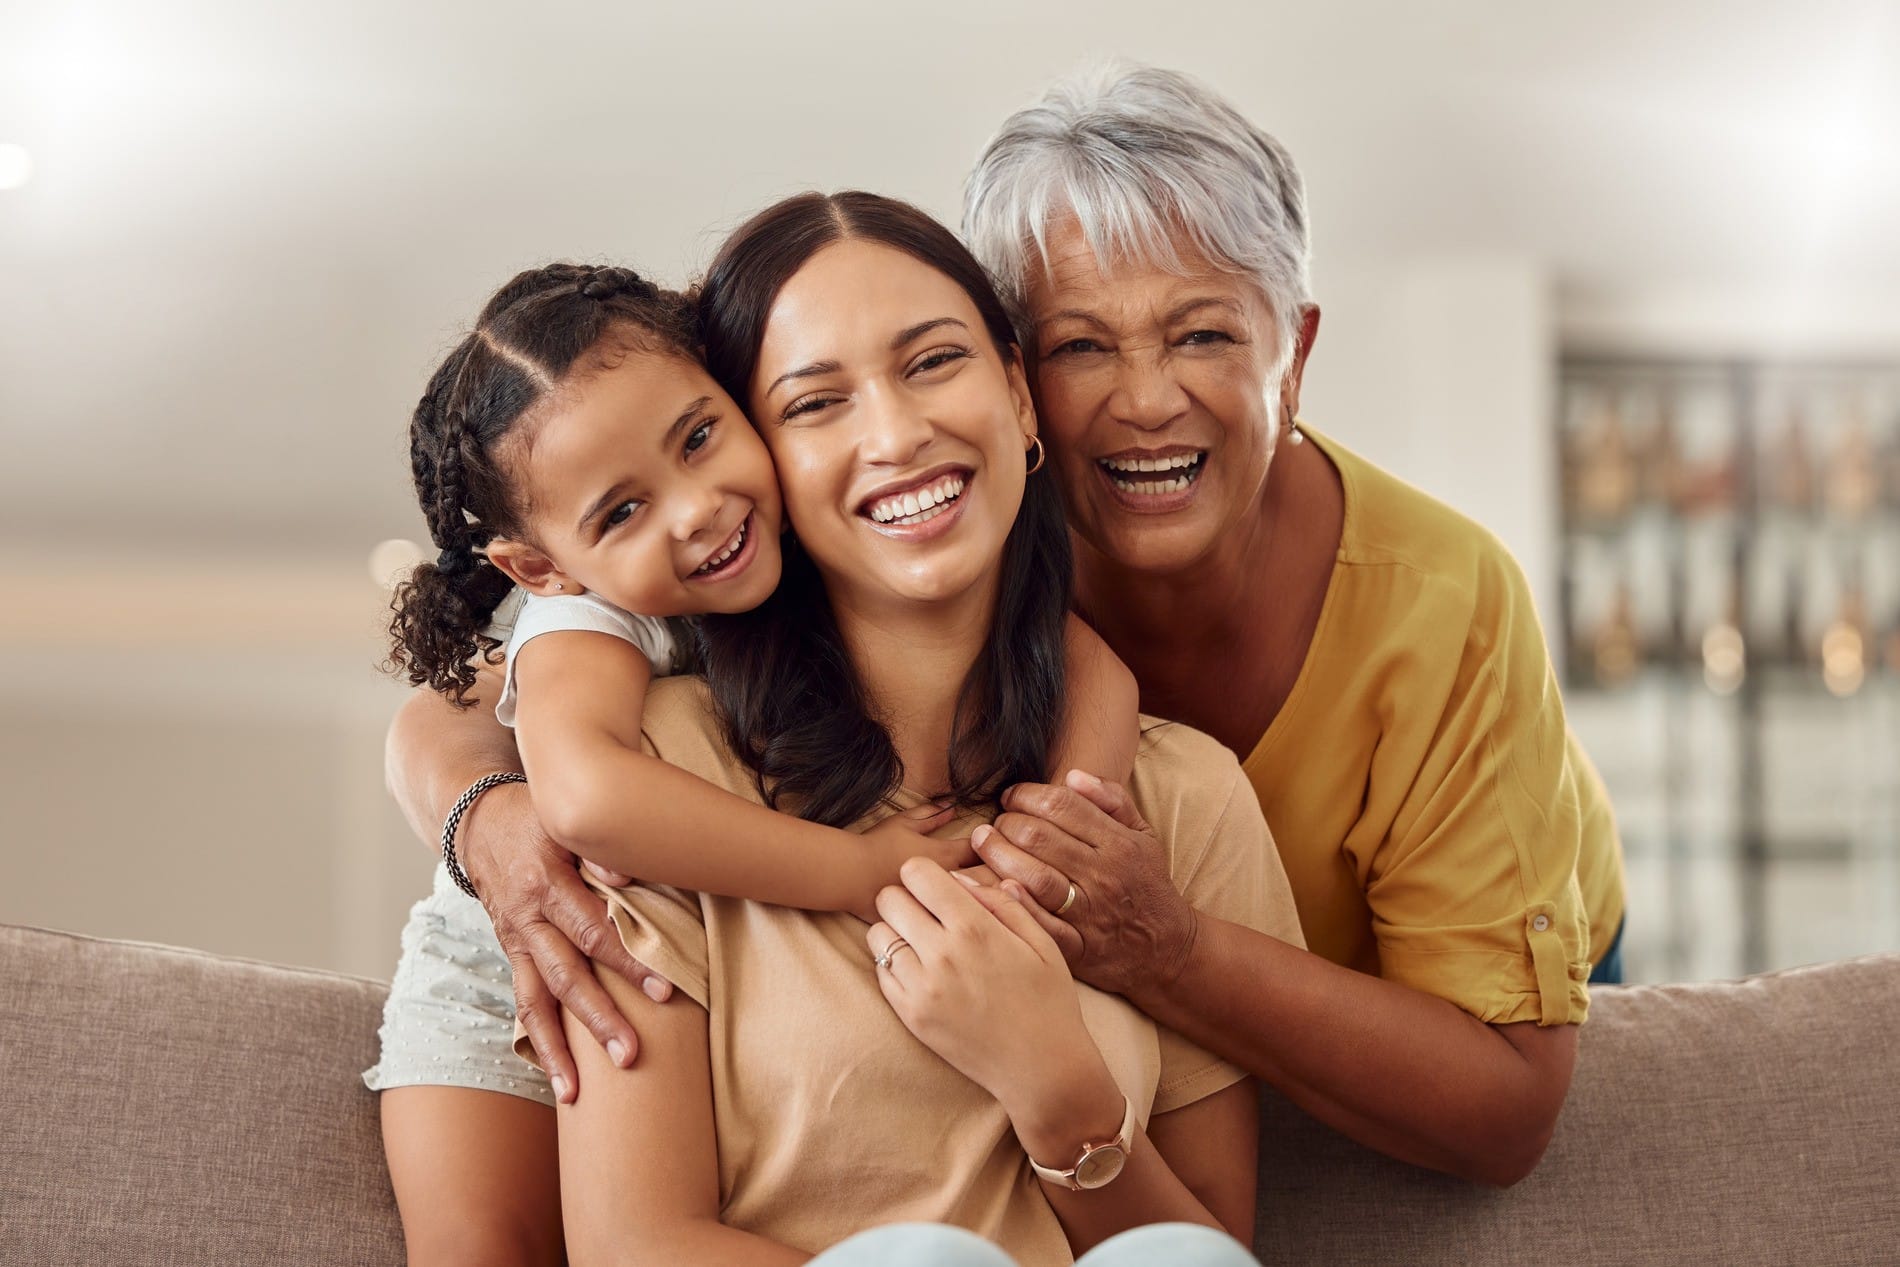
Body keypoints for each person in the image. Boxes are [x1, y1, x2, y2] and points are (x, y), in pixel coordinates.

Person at [527, 189, 1301, 1263]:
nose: (895, 433)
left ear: (1020, 400)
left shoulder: (1183, 794)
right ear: (762, 467)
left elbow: (1212, 1248)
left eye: (934, 361)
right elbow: (632, 1244)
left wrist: (1055, 1084)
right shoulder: (665, 770)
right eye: (814, 404)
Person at [364, 260, 1139, 1263]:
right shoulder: (581, 620)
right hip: (504, 968)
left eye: (698, 438)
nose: (694, 507)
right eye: (621, 512)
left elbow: (1093, 666)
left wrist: (1048, 854)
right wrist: (858, 873)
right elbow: (588, 796)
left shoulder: (804, 528)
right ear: (542, 566)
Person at [951, 62, 1627, 1186]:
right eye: (1080, 346)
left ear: (1295, 355)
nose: (1147, 398)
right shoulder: (953, 559)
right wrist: (540, 799)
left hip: (1523, 954)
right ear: (1012, 382)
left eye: (1202, 335)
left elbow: (1503, 1106)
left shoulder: (1447, 596)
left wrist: (1165, 952)